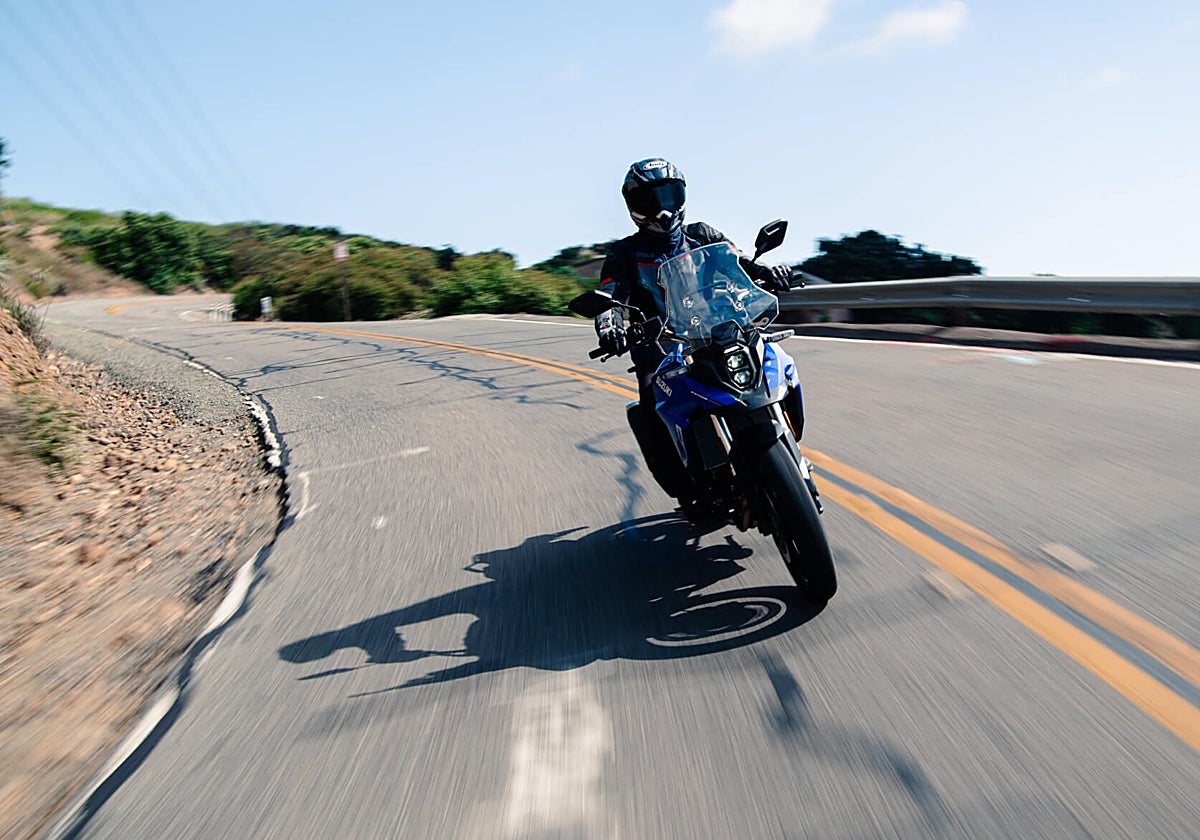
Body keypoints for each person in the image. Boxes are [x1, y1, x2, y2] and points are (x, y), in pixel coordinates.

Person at [594, 157, 793, 510]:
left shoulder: (703, 235)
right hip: (661, 349)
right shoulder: (624, 253)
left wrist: (768, 271)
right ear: (633, 206)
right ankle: (689, 488)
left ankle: (785, 457)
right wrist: (610, 325)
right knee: (653, 408)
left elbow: (739, 262)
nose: (662, 208)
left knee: (772, 362)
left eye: (668, 196)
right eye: (649, 200)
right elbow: (610, 295)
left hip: (719, 333)